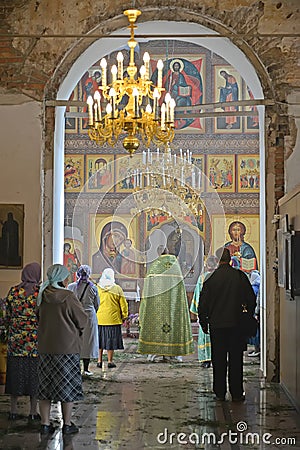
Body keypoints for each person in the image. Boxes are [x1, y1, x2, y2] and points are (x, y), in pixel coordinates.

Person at [198, 247, 256, 402]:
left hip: (217, 326)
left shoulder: (211, 279)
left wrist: (204, 323)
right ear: (230, 259)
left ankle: (219, 392)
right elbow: (251, 299)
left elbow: (203, 305)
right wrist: (247, 315)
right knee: (236, 359)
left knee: (218, 359)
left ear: (217, 260)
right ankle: (237, 392)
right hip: (237, 325)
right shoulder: (240, 277)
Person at [36, 264, 88, 435]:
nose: (68, 279)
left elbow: (38, 318)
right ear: (61, 278)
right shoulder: (68, 296)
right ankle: (67, 424)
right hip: (67, 348)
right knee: (66, 387)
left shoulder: (42, 295)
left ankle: (44, 423)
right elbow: (81, 319)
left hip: (45, 347)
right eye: (66, 276)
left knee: (45, 387)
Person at [138, 246, 194, 361]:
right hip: (174, 305)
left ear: (159, 254)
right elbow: (180, 290)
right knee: (174, 324)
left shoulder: (155, 267)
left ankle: (153, 352)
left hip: (156, 306)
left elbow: (148, 287)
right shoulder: (175, 267)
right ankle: (175, 353)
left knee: (155, 326)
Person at [4, 262, 41, 422]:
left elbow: (7, 315)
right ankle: (33, 411)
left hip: (16, 341)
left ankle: (13, 410)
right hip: (34, 342)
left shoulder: (14, 291)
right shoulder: (39, 293)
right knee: (34, 377)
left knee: (15, 374)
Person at [68, 265, 100, 375]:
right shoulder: (93, 288)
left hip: (74, 316)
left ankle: (75, 368)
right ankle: (86, 369)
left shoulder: (71, 287)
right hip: (89, 317)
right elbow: (97, 304)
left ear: (77, 274)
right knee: (88, 342)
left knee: (76, 342)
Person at [96, 268, 128, 368]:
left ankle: (99, 360)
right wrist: (124, 315)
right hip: (113, 320)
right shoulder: (117, 288)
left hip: (99, 319)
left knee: (100, 340)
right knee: (110, 340)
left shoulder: (97, 288)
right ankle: (110, 361)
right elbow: (123, 304)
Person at [190, 255, 218, 368]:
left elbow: (198, 296)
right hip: (218, 312)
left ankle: (206, 359)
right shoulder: (220, 277)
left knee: (205, 335)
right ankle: (217, 358)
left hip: (205, 313)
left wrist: (196, 310)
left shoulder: (202, 278)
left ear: (207, 266)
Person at [248, 270, 261, 357]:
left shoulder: (253, 288)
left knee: (256, 333)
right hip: (256, 312)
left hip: (255, 312)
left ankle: (257, 349)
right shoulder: (258, 286)